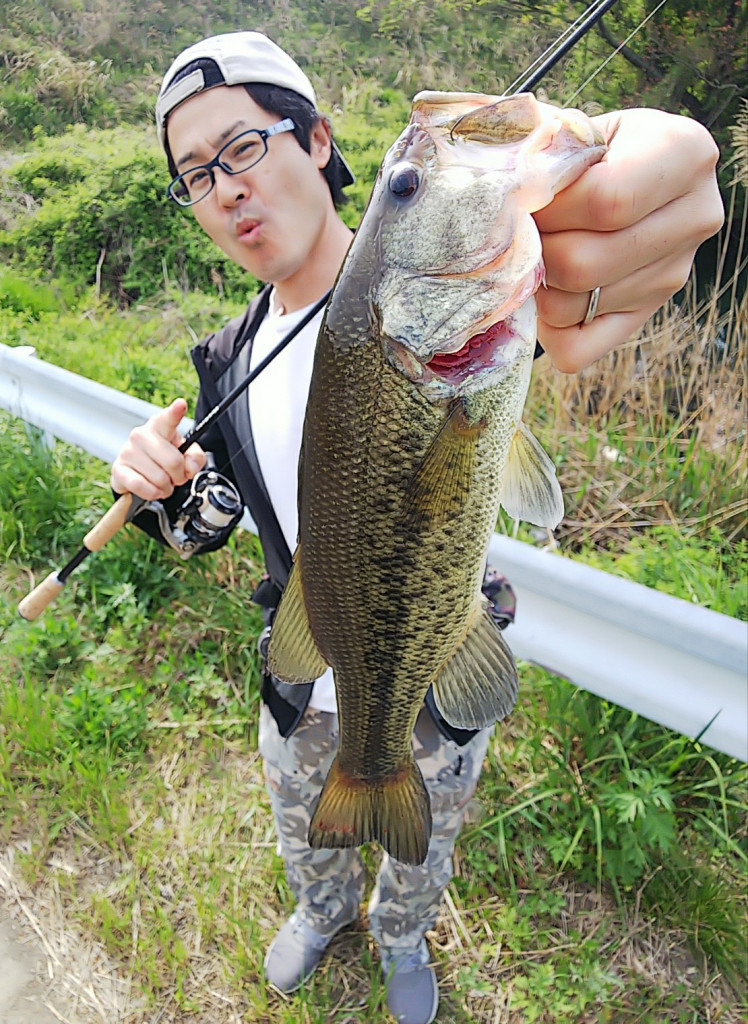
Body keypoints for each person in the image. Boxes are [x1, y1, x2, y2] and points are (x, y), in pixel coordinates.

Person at [110, 30, 724, 1024]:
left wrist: (616, 199)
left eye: (243, 147)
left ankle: (402, 940)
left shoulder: (458, 303)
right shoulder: (224, 359)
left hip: (434, 673)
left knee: (419, 842)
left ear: (313, 139)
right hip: (300, 677)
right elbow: (212, 522)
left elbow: (576, 279)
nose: (223, 187)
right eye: (194, 175)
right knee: (310, 829)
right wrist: (165, 495)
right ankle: (321, 914)